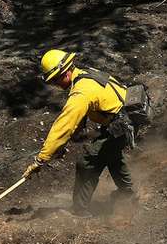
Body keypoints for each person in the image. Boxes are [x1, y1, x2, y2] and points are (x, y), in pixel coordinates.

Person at [24, 49, 135, 216]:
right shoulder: (86, 73)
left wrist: (41, 159)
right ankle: (128, 194)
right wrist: (63, 144)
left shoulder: (81, 92)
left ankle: (79, 211)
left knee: (87, 162)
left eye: (56, 80)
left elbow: (63, 126)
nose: (56, 84)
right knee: (110, 155)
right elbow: (80, 118)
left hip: (121, 126)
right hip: (125, 118)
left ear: (66, 72)